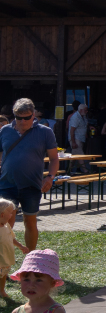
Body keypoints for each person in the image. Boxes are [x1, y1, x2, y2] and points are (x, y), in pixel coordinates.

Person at [0, 99, 59, 252]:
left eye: (27, 117)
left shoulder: (45, 132)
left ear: (34, 115)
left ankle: (30, 261)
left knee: (30, 222)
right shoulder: (5, 131)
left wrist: (50, 177)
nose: (23, 121)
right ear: (14, 116)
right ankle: (3, 265)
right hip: (7, 184)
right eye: (19, 118)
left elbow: (54, 159)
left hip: (32, 184)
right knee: (4, 224)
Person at [0, 200, 32, 301]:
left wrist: (20, 246)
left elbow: (11, 238)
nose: (11, 215)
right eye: (10, 213)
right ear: (2, 215)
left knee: (4, 274)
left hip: (6, 256)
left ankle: (1, 290)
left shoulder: (6, 226)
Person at [67, 104, 90, 174]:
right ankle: (85, 170)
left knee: (74, 156)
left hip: (81, 138)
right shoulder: (75, 117)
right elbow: (72, 130)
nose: (87, 111)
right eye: (85, 110)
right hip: (76, 138)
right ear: (81, 110)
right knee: (80, 154)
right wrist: (73, 142)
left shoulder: (83, 117)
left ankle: (68, 170)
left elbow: (85, 126)